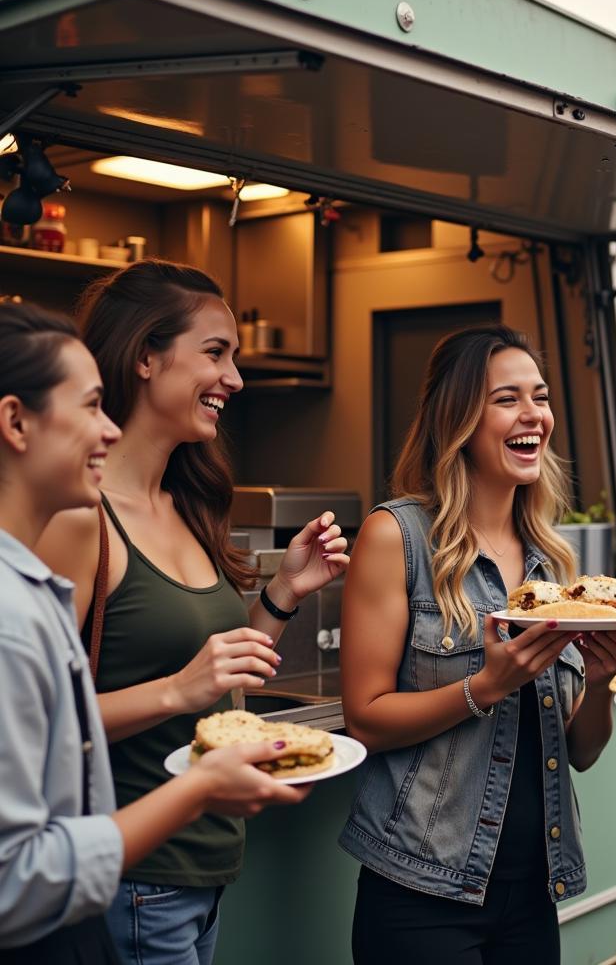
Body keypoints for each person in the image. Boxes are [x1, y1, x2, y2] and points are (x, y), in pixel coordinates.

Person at [34, 261, 350, 965]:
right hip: (130, 880)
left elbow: (224, 690)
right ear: (145, 356)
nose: (235, 380)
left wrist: (282, 598)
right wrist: (179, 688)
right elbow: (41, 723)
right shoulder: (81, 518)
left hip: (201, 872)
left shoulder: (189, 504)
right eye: (215, 353)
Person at [339, 325, 616, 965]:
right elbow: (365, 719)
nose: (534, 415)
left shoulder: (551, 564)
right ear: (459, 419)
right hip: (422, 891)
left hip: (534, 888)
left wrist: (605, 680)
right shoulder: (398, 536)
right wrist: (486, 687)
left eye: (541, 396)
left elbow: (582, 753)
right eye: (507, 399)